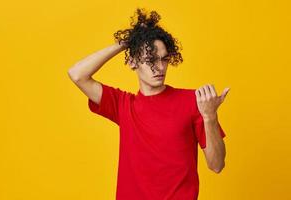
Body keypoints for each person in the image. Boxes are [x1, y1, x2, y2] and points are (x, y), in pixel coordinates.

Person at [68, 8, 229, 200]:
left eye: (164, 59)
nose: (159, 67)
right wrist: (128, 42)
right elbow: (77, 74)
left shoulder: (195, 101)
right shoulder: (123, 105)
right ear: (133, 62)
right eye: (150, 60)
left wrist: (210, 116)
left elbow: (217, 165)